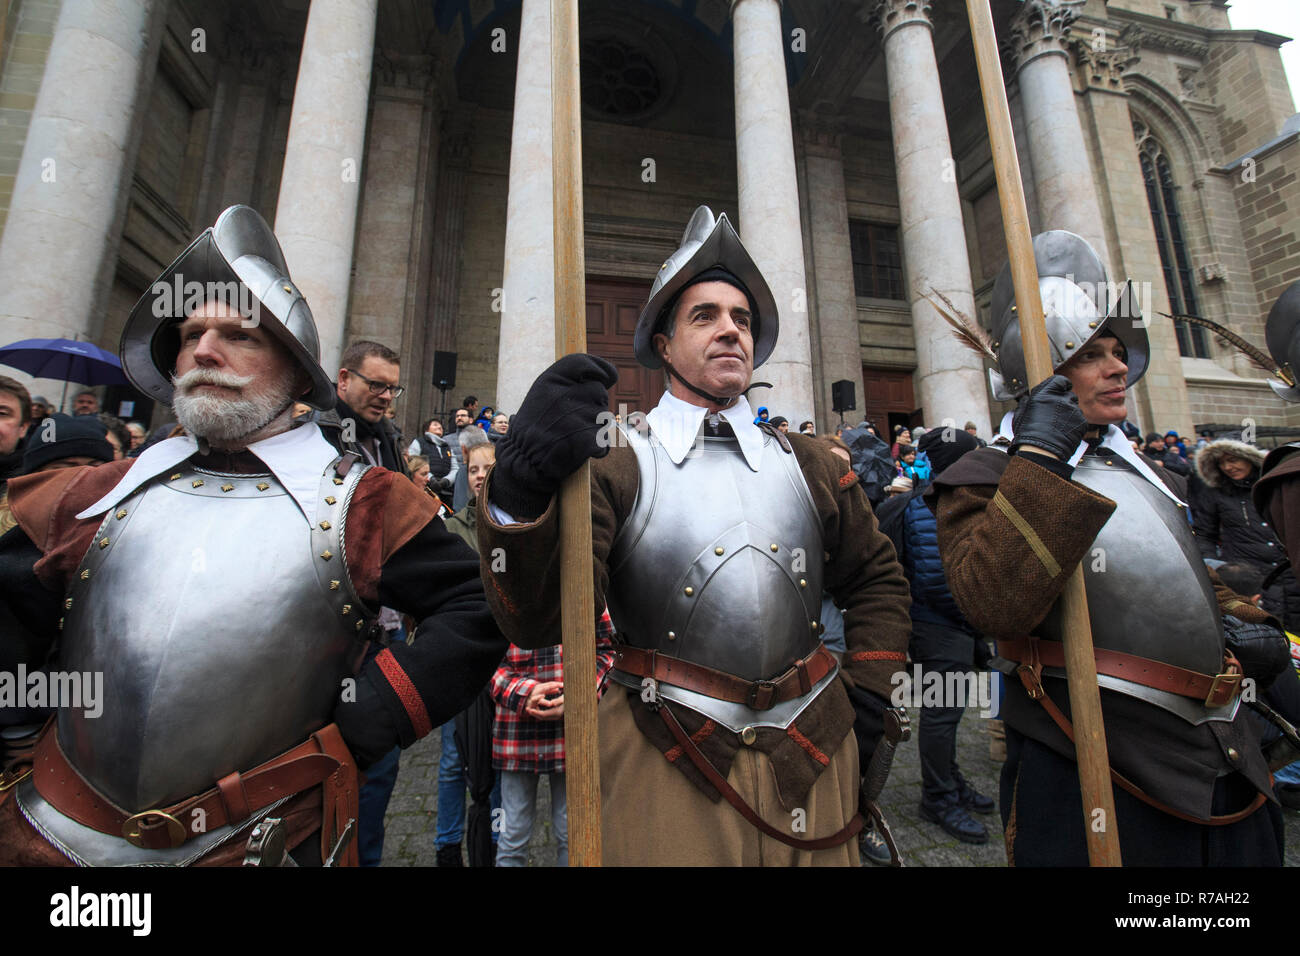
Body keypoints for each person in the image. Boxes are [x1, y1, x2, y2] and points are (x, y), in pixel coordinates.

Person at [0, 204, 503, 867]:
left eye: (239, 335)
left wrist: (376, 712)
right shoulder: (93, 493)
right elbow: (14, 622)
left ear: (295, 371)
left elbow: (476, 605)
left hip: (263, 839)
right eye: (190, 333)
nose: (204, 349)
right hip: (60, 838)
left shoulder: (363, 504)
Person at [477, 205, 911, 865]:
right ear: (663, 343)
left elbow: (877, 577)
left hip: (814, 746)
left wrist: (872, 691)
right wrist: (519, 492)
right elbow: (537, 621)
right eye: (704, 316)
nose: (729, 330)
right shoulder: (615, 461)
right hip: (668, 749)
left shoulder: (811, 461)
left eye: (741, 318)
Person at [929, 230, 1284, 866]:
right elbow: (993, 603)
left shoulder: (1152, 473)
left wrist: (1247, 627)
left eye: (1118, 351)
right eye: (1091, 353)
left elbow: (1180, 580)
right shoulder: (984, 475)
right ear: (1041, 370)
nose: (1119, 367)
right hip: (1092, 758)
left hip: (1221, 752)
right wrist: (1039, 460)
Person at [877, 429, 992, 843]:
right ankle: (938, 798)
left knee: (952, 714)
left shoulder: (956, 498)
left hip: (957, 627)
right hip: (939, 627)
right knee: (942, 715)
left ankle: (952, 781)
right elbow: (933, 575)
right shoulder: (922, 505)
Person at [1193, 437, 1299, 632]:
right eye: (1221, 463)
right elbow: (1204, 534)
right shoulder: (1215, 494)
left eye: (1233, 460)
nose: (1228, 467)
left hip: (1288, 575)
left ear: (1248, 458)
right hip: (1248, 578)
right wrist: (1221, 568)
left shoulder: (1273, 487)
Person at [311, 340, 408, 475]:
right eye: (376, 385)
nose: (386, 396)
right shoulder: (311, 433)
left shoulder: (391, 437)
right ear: (344, 379)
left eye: (392, 388)